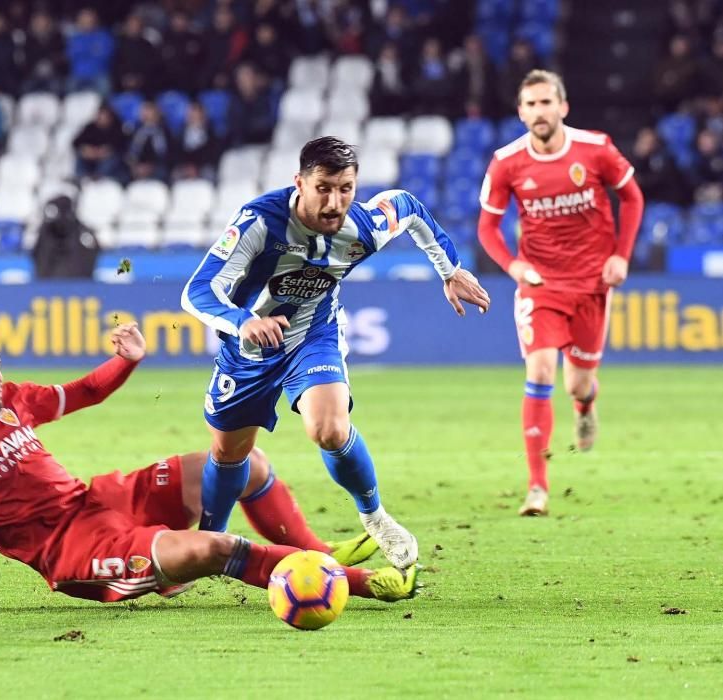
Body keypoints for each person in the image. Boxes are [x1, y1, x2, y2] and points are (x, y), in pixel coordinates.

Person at [0, 327, 416, 614]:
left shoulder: (13, 400)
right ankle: (358, 586)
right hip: (69, 553)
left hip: (98, 500)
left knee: (247, 462)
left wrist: (127, 360)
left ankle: (318, 551)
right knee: (211, 549)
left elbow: (85, 391)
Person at [180, 136, 490, 571]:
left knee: (328, 428)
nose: (335, 201)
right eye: (324, 187)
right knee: (231, 453)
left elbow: (409, 208)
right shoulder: (259, 222)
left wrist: (450, 270)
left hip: (312, 336)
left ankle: (375, 517)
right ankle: (208, 542)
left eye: (345, 188)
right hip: (249, 347)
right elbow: (197, 291)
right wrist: (243, 321)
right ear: (300, 184)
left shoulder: (362, 226)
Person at [477, 70, 645, 517]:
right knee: (541, 370)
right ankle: (537, 487)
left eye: (546, 103)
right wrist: (514, 266)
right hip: (541, 285)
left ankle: (585, 403)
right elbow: (487, 227)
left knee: (577, 381)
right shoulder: (506, 162)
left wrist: (621, 256)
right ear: (520, 111)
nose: (538, 112)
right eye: (530, 105)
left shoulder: (595, 149)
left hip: (592, 283)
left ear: (562, 107)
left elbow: (632, 198)